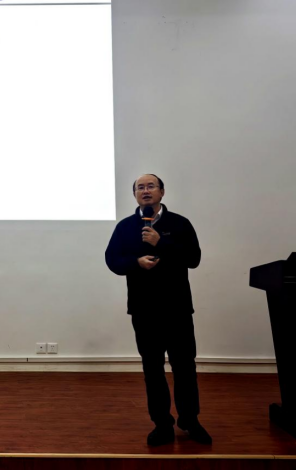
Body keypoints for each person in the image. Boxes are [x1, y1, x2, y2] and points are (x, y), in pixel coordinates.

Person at [105, 174, 212, 446]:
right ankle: (162, 424)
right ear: (135, 195)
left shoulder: (180, 223)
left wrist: (160, 243)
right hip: (144, 310)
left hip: (177, 308)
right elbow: (112, 260)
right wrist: (136, 263)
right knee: (152, 369)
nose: (146, 190)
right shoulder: (125, 227)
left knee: (184, 367)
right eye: (140, 187)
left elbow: (194, 258)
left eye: (151, 186)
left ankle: (190, 420)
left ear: (162, 192)